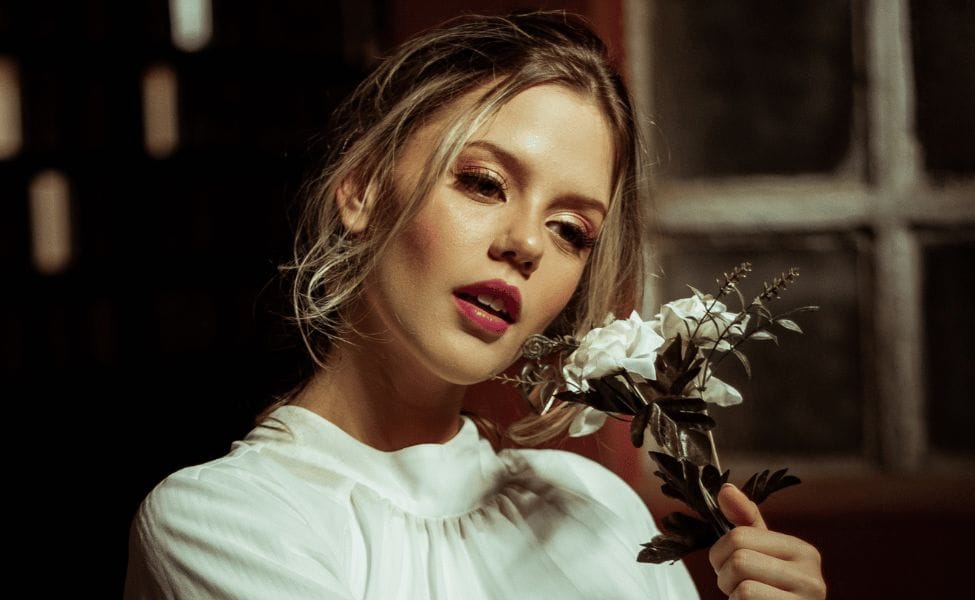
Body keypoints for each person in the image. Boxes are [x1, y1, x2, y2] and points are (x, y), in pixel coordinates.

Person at [124, 11, 826, 600]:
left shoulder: (598, 508)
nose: (526, 244)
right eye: (485, 183)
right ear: (363, 189)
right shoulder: (224, 522)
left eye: (571, 230)